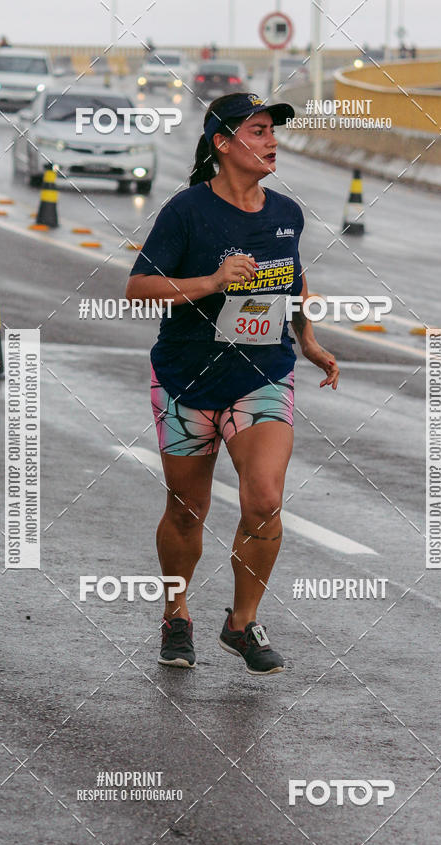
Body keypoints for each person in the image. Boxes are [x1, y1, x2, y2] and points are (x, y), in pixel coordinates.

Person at [125, 92, 339, 675]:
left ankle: (241, 624)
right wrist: (213, 280)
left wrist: (309, 340)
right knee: (187, 510)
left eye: (274, 131)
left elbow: (291, 281)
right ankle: (176, 613)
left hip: (262, 372)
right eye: (260, 130)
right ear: (223, 143)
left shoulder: (286, 213)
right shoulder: (187, 211)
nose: (273, 141)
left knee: (265, 498)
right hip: (185, 379)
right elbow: (138, 288)